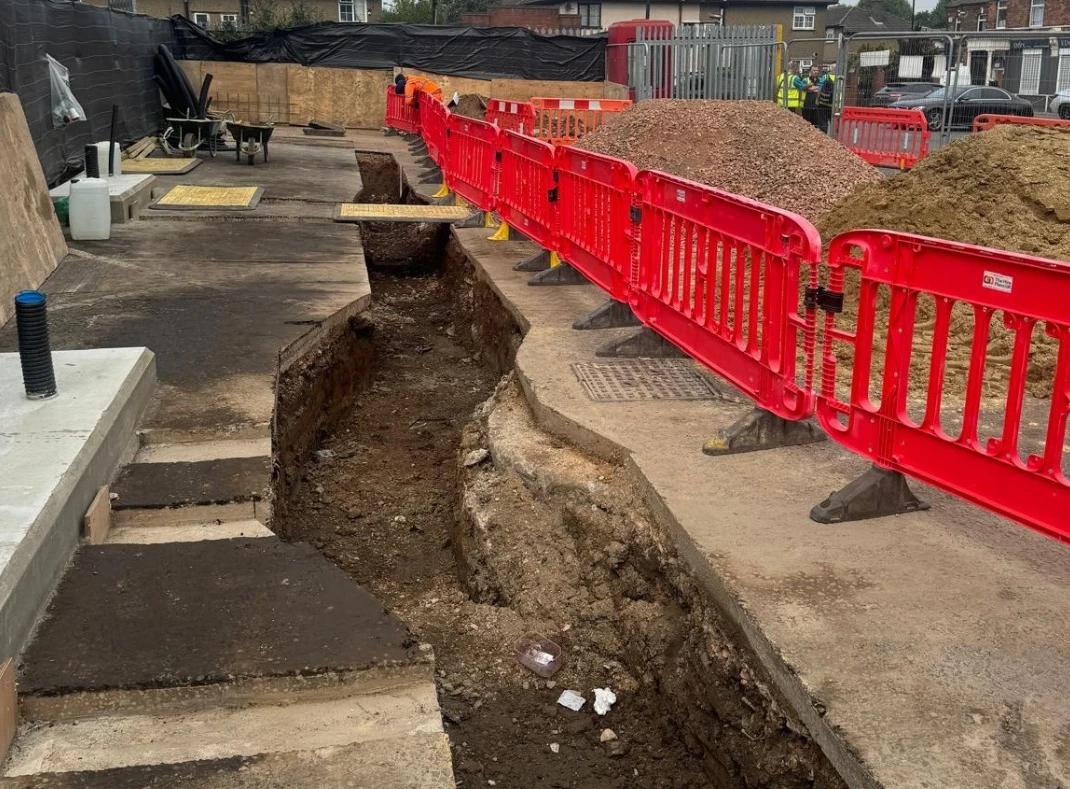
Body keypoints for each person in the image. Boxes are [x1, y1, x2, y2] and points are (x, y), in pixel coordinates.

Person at [816, 68, 836, 132]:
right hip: (835, 104)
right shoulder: (840, 78)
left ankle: (824, 138)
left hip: (823, 103)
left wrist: (817, 99)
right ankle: (836, 138)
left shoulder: (825, 76)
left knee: (823, 122)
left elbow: (820, 88)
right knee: (835, 123)